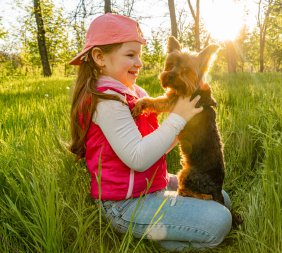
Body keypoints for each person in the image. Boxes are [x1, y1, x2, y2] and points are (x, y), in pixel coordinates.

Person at [69, 13, 232, 251]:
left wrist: (188, 126)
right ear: (99, 57)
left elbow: (155, 145)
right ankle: (161, 237)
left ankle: (168, 229)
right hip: (125, 204)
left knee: (223, 199)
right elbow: (138, 158)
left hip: (150, 184)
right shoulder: (106, 103)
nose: (139, 62)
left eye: (139, 55)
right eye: (130, 55)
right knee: (220, 220)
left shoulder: (135, 93)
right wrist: (178, 118)